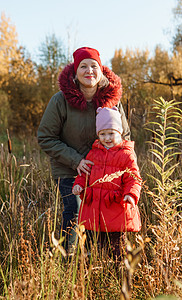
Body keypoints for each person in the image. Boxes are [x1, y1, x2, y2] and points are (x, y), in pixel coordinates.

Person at [37, 47, 130, 252]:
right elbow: (45, 137)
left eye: (94, 66)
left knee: (101, 218)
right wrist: (76, 160)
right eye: (83, 66)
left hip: (104, 173)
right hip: (69, 170)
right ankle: (66, 260)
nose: (89, 71)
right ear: (75, 72)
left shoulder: (112, 100)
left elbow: (125, 137)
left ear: (101, 70)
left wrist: (121, 168)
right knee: (76, 210)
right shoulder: (60, 100)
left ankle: (92, 262)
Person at [72, 106, 142, 259]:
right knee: (98, 245)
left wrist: (131, 194)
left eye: (111, 133)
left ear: (120, 133)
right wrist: (79, 184)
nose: (107, 138)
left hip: (115, 208)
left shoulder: (126, 154)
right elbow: (85, 173)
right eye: (103, 134)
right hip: (96, 210)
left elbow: (134, 178)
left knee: (117, 246)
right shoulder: (94, 153)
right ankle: (101, 271)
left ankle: (120, 273)